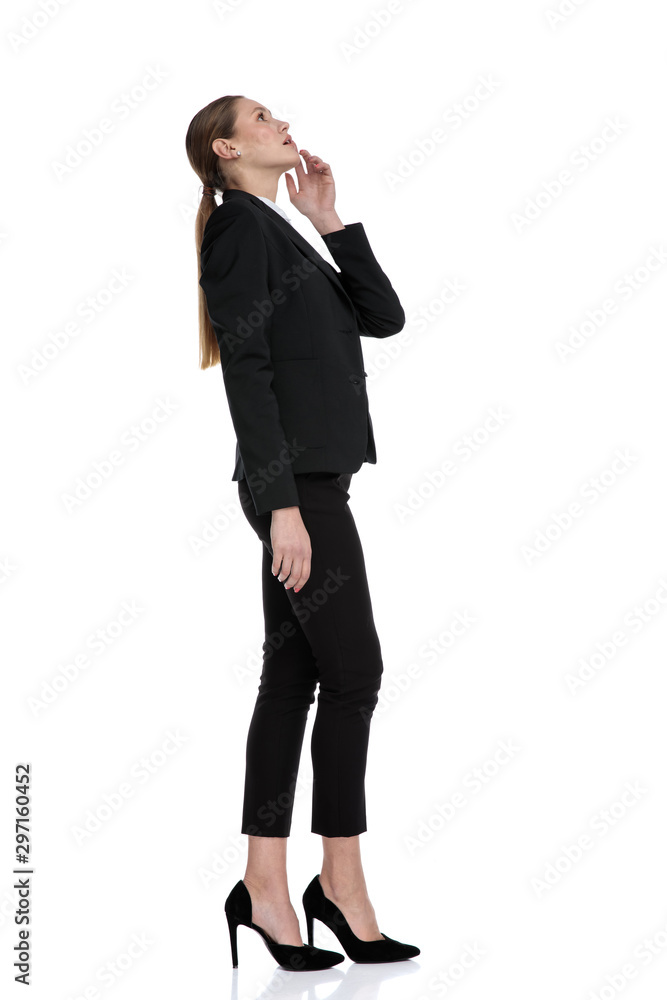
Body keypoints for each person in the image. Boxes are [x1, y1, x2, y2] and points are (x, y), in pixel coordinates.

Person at [185, 95, 420, 970]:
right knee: (354, 675)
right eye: (261, 117)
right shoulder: (237, 229)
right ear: (226, 148)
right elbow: (245, 372)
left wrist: (329, 220)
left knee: (292, 681)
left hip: (314, 482)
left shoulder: (278, 229)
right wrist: (279, 502)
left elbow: (383, 317)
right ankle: (341, 886)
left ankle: (266, 889)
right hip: (297, 490)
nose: (282, 122)